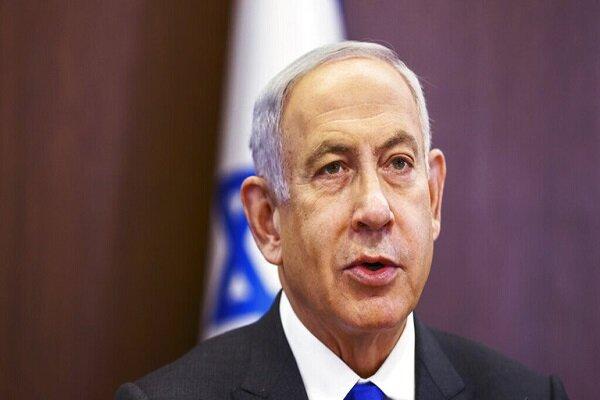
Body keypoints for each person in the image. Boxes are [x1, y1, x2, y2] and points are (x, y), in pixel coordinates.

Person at [116, 41, 569, 400]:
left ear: (433, 197)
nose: (375, 210)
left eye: (398, 163)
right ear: (267, 220)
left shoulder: (528, 395)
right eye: (333, 168)